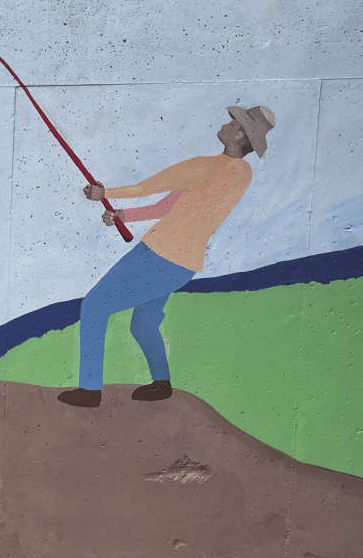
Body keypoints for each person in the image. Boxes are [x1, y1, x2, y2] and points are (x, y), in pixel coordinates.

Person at [58, 105, 276, 408]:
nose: (226, 124)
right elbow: (169, 206)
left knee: (95, 306)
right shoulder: (241, 174)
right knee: (144, 323)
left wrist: (104, 191)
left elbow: (149, 186)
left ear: (239, 133)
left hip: (157, 256)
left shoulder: (209, 166)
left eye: (232, 122)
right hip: (184, 265)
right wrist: (123, 214)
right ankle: (161, 384)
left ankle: (90, 389)